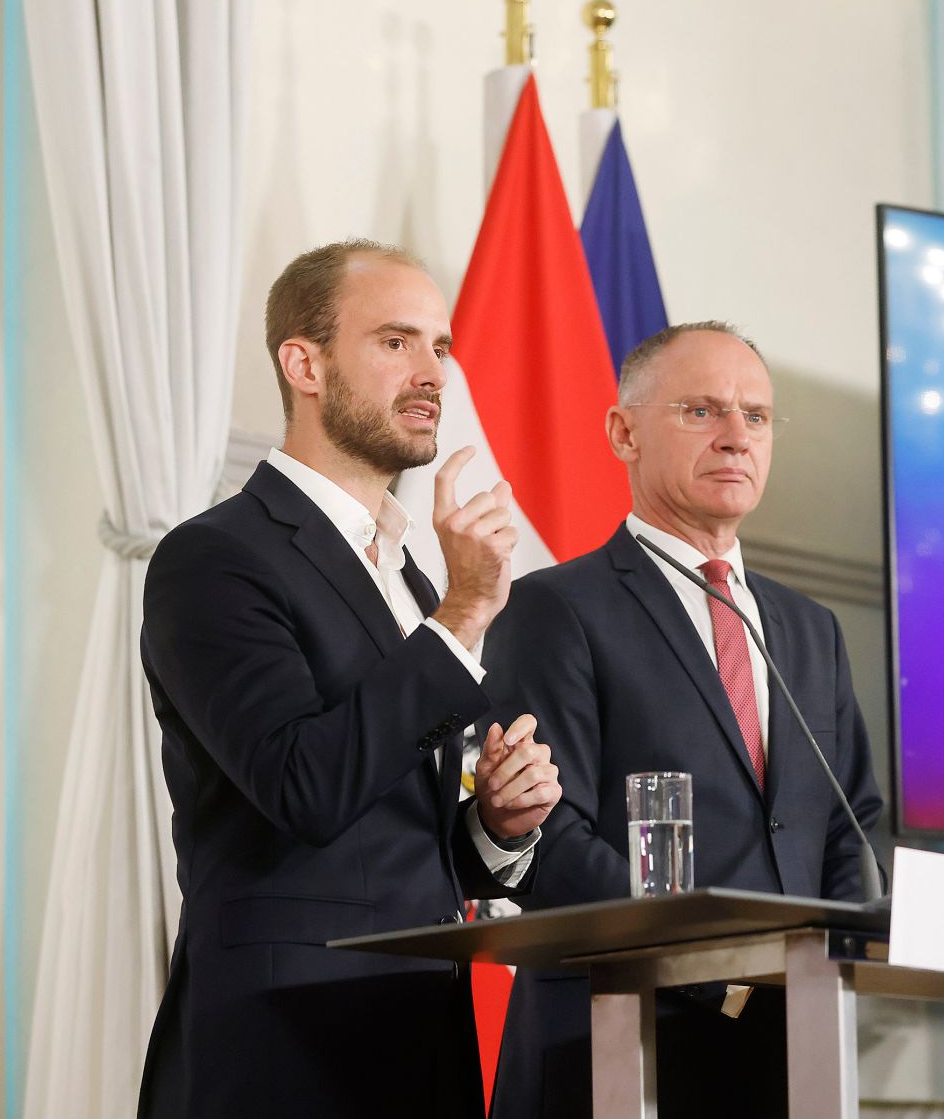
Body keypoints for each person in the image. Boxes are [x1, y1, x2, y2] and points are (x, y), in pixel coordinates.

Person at [136, 240, 561, 1118]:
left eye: (441, 347)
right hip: (285, 1048)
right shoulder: (214, 557)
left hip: (421, 1036)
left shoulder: (408, 577)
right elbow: (304, 785)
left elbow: (398, 837)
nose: (433, 372)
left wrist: (493, 826)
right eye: (396, 341)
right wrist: (462, 615)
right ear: (305, 363)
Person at [484, 322, 884, 1118]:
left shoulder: (810, 629)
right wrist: (721, 974)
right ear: (622, 432)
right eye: (703, 411)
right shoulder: (555, 609)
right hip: (618, 1042)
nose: (737, 436)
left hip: (792, 1051)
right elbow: (547, 837)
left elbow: (853, 824)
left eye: (758, 416)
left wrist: (823, 979)